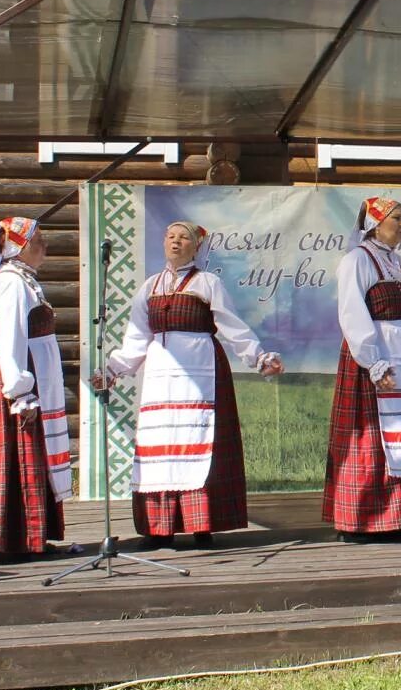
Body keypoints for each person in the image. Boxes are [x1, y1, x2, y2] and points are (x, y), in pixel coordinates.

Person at [92, 221, 282, 550]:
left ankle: (201, 525)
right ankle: (158, 528)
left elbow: (231, 326)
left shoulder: (208, 283)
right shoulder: (150, 287)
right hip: (160, 380)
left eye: (184, 238)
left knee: (199, 440)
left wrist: (258, 357)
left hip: (201, 373)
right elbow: (136, 338)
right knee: (161, 448)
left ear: (196, 248)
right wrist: (112, 370)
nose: (176, 243)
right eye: (170, 237)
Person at [0, 217, 72, 559]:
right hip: (15, 379)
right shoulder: (12, 284)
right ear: (19, 246)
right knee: (15, 453)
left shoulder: (21, 281)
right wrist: (20, 390)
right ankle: (13, 538)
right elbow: (9, 338)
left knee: (26, 455)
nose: (45, 247)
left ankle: (27, 535)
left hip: (23, 374)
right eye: (39, 241)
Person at [323, 197, 401, 543]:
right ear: (374, 223)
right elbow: (352, 312)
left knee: (400, 439)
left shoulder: (398, 263)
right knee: (369, 439)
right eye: (396, 218)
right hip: (373, 360)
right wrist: (374, 361)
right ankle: (357, 521)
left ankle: (393, 518)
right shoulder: (358, 259)